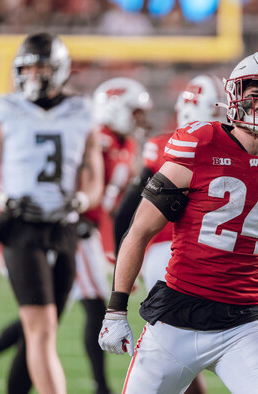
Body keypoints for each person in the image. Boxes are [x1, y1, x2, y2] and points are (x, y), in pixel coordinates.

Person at [99, 51, 258, 394]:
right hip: (175, 318)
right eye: (255, 93)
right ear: (235, 97)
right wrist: (115, 310)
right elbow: (140, 229)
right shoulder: (199, 144)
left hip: (244, 322)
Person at [0, 32, 103, 394]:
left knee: (45, 327)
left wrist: (81, 200)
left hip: (63, 226)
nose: (33, 75)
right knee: (41, 328)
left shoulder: (80, 110)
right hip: (21, 228)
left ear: (59, 69)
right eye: (27, 68)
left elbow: (95, 177)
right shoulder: (4, 108)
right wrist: (3, 200)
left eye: (41, 67)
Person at [113, 73, 226, 394]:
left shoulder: (166, 144)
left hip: (171, 257)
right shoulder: (175, 147)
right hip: (179, 255)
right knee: (183, 346)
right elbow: (129, 213)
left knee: (180, 350)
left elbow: (126, 213)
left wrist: (120, 260)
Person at [70, 76, 152, 394]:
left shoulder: (126, 144)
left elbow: (114, 208)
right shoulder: (96, 137)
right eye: (133, 111)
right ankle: (101, 387)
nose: (138, 119)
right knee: (86, 308)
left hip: (89, 232)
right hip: (74, 230)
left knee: (42, 317)